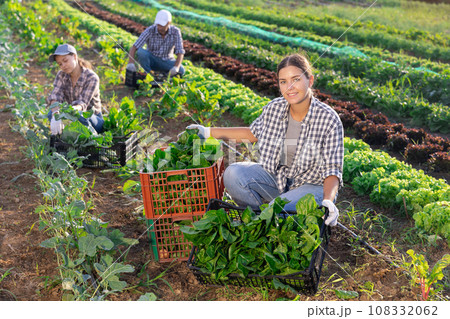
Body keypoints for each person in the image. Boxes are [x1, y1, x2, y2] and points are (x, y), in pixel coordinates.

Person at [187, 53, 344, 226]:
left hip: (312, 187)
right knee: (233, 174)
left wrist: (328, 201)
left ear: (310, 80)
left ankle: (272, 221)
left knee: (275, 210)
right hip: (279, 180)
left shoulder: (328, 119)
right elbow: (251, 133)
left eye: (296, 79)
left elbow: (333, 169)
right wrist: (208, 132)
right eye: (283, 81)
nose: (289, 87)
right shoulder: (274, 108)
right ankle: (256, 223)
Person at [47, 44, 104, 135]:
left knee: (80, 115)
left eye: (65, 61)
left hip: (93, 120)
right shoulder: (61, 75)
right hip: (72, 115)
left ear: (74, 57)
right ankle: (65, 136)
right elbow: (55, 96)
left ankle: (92, 140)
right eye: (60, 64)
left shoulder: (91, 77)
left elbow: (82, 104)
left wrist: (69, 114)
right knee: (51, 113)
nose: (63, 66)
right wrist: (56, 113)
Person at [126, 9, 185, 77]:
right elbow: (134, 47)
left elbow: (180, 52)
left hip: (167, 61)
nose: (159, 28)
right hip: (152, 60)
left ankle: (165, 76)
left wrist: (176, 67)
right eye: (158, 25)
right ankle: (148, 75)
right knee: (141, 52)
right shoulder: (150, 30)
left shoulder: (175, 32)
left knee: (181, 70)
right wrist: (130, 63)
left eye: (162, 25)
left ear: (169, 23)